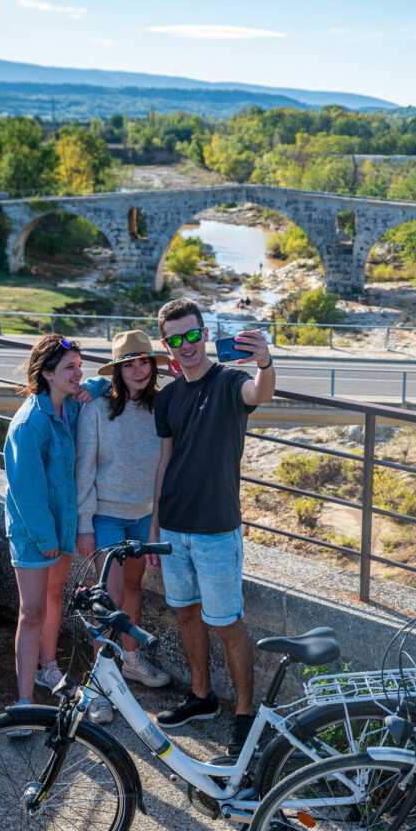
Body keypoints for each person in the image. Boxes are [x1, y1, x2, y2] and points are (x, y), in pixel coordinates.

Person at [145, 298, 276, 756]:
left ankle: (244, 715)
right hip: (174, 527)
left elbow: (260, 394)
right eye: (176, 339)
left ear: (204, 333)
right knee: (185, 613)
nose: (187, 345)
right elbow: (164, 465)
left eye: (192, 335)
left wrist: (264, 360)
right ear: (167, 345)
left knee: (227, 624)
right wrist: (155, 530)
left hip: (217, 529)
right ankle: (201, 697)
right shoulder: (167, 398)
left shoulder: (229, 381)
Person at [3, 335, 107, 723]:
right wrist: (47, 541)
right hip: (35, 534)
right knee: (31, 612)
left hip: (61, 527)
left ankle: (50, 667)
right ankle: (24, 702)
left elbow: (105, 383)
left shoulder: (70, 407)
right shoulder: (29, 424)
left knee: (54, 596)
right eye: (70, 368)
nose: (79, 373)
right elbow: (26, 493)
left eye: (80, 365)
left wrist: (88, 386)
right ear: (47, 373)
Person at [75, 331, 173, 716]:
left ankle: (130, 662)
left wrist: (159, 523)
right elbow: (84, 469)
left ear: (153, 365)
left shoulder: (162, 406)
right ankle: (100, 684)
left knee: (133, 589)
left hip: (145, 516)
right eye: (128, 364)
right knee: (107, 599)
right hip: (106, 515)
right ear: (117, 370)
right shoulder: (97, 408)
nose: (138, 370)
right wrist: (85, 524)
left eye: (144, 362)